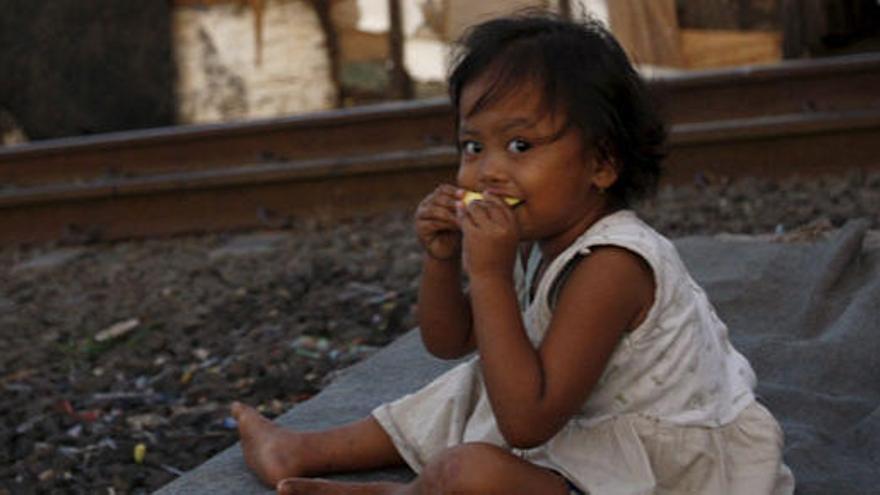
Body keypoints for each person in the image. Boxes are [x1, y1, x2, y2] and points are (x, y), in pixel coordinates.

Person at [231, 11, 795, 495]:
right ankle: (304, 451)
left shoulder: (613, 266)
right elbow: (448, 342)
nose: (488, 169)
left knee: (470, 471)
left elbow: (526, 423)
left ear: (601, 163)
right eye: (473, 146)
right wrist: (443, 259)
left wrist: (491, 273)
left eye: (520, 146)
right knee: (472, 381)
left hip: (668, 476)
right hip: (587, 426)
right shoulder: (544, 241)